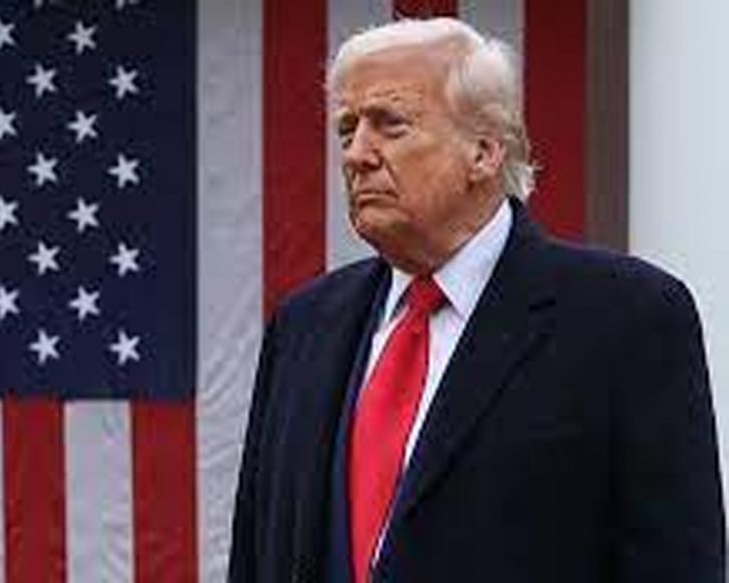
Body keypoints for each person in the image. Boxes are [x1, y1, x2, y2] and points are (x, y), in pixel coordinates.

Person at [228, 17, 724, 583]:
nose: (357, 154)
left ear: (484, 152)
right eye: (347, 130)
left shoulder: (628, 319)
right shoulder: (304, 326)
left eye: (390, 125)